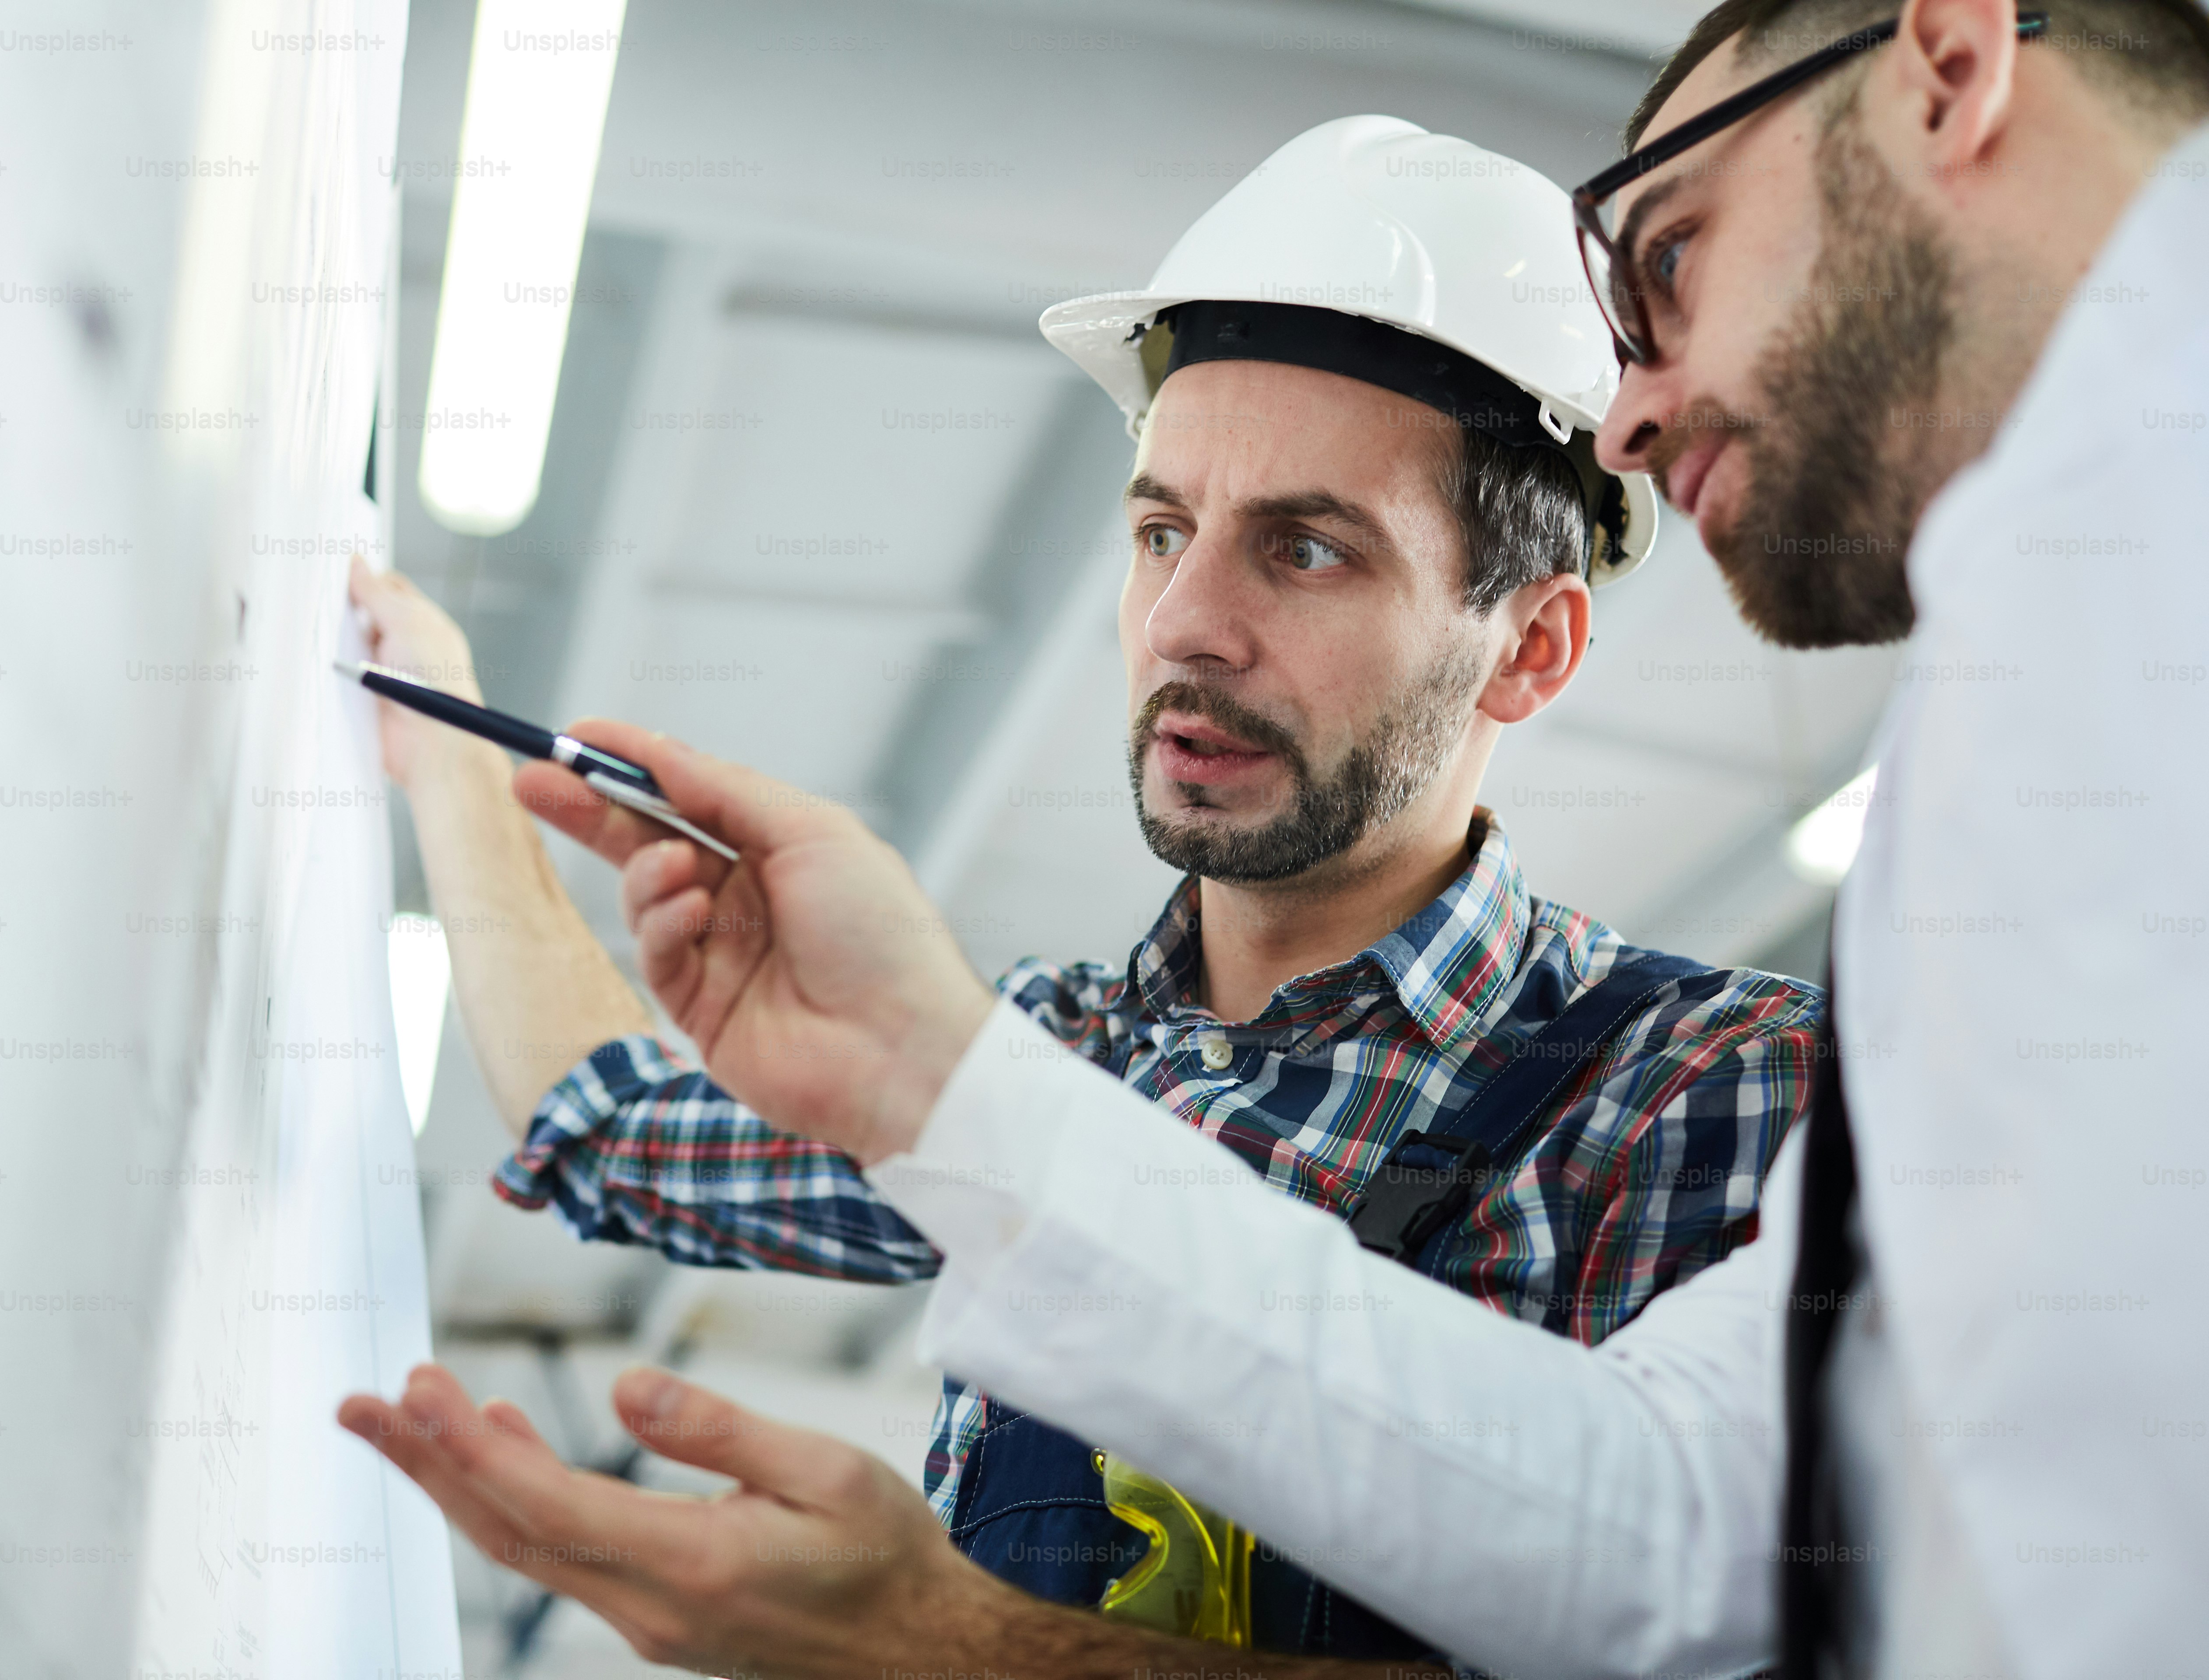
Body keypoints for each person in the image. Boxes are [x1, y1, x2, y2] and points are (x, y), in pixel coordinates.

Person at [347, 1, 2209, 1676]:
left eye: (1306, 549)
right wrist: (442, 735)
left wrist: (944, 1651)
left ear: (1535, 646)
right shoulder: (1065, 1060)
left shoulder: (1705, 1087)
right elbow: (599, 1120)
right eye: (1165, 531)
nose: (1184, 625)